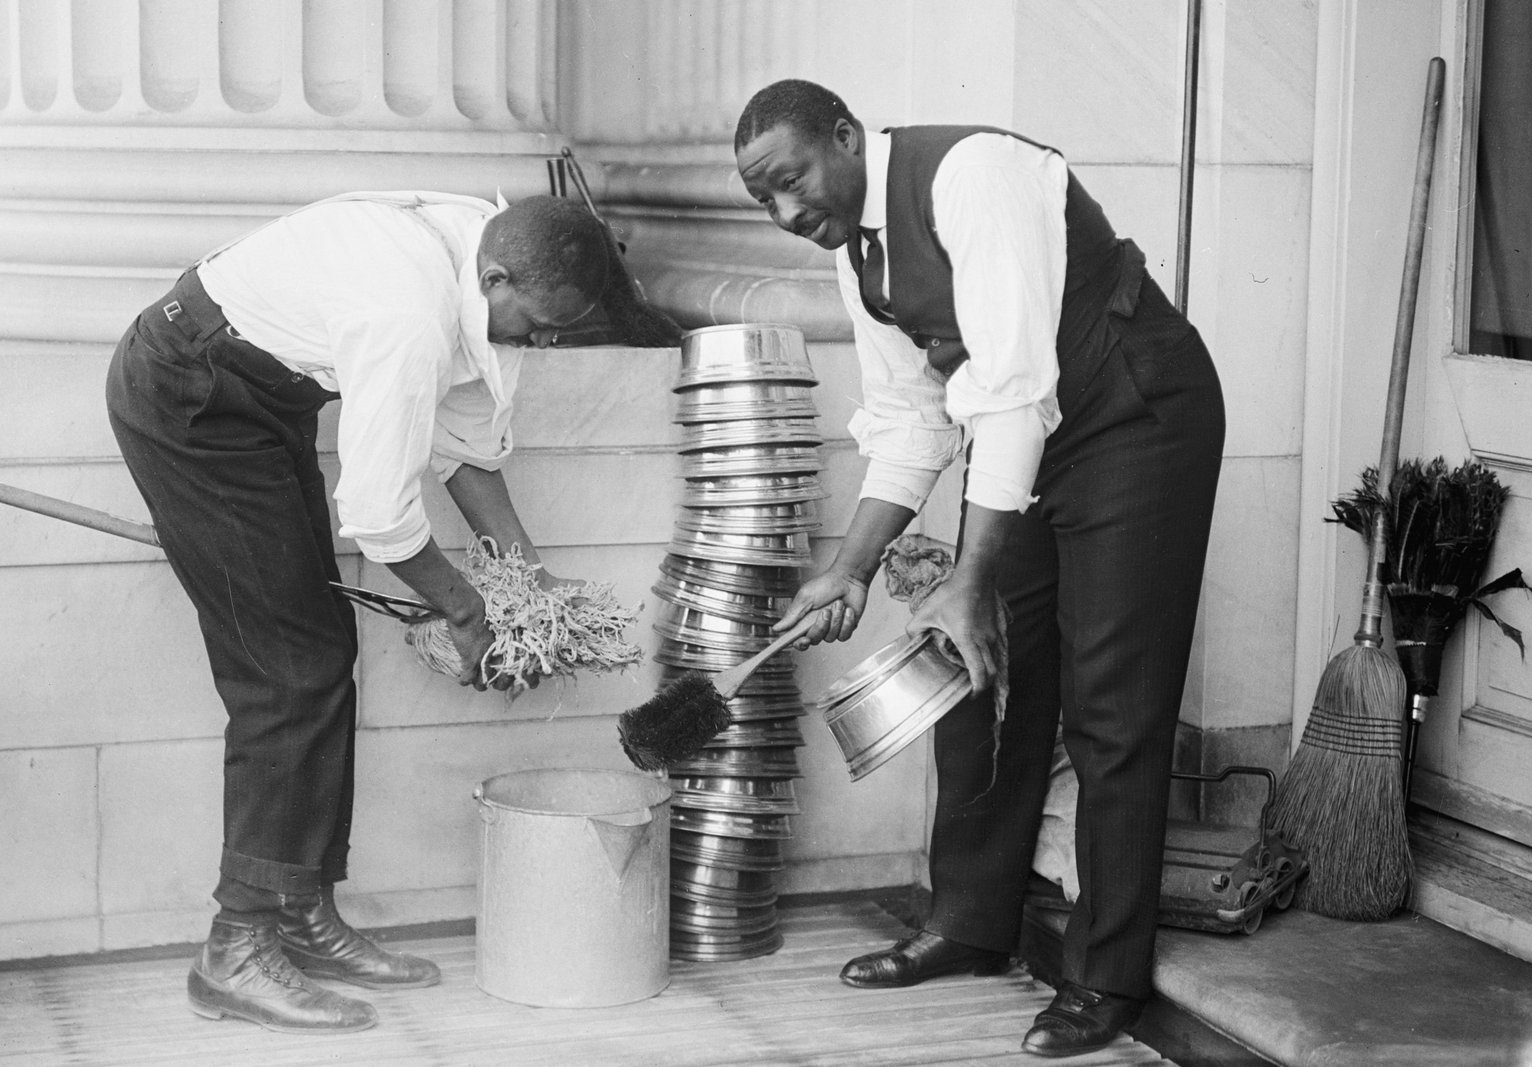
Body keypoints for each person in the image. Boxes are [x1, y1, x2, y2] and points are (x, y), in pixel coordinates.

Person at [735, 80, 1225, 1058]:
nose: (788, 212)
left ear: (844, 137)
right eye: (766, 201)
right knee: (980, 667)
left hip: (1135, 414)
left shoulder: (973, 176)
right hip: (1034, 434)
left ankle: (1106, 974)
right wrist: (852, 567)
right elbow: (915, 419)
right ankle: (968, 918)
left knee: (1109, 704)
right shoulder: (857, 254)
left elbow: (1007, 391)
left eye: (791, 180)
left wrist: (968, 571)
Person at [105, 191, 633, 1034]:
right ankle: (236, 946)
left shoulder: (486, 266)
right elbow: (381, 517)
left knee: (320, 651)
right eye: (536, 324)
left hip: (259, 397)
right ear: (496, 275)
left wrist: (529, 577)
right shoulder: (408, 314)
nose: (540, 341)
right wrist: (464, 610)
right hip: (190, 395)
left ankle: (301, 915)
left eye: (555, 331)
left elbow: (460, 447)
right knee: (289, 670)